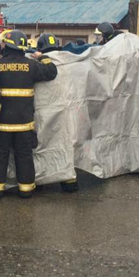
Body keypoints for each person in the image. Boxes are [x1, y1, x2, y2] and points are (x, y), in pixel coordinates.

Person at [0, 30, 58, 198]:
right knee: (24, 156)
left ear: (7, 46)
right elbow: (51, 71)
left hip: (1, 123)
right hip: (24, 123)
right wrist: (42, 57)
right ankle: (26, 190)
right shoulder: (31, 65)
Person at [36, 33, 78, 193]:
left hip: (43, 113)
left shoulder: (40, 62)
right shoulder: (67, 61)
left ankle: (40, 180)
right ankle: (69, 182)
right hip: (65, 111)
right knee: (65, 144)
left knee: (42, 145)